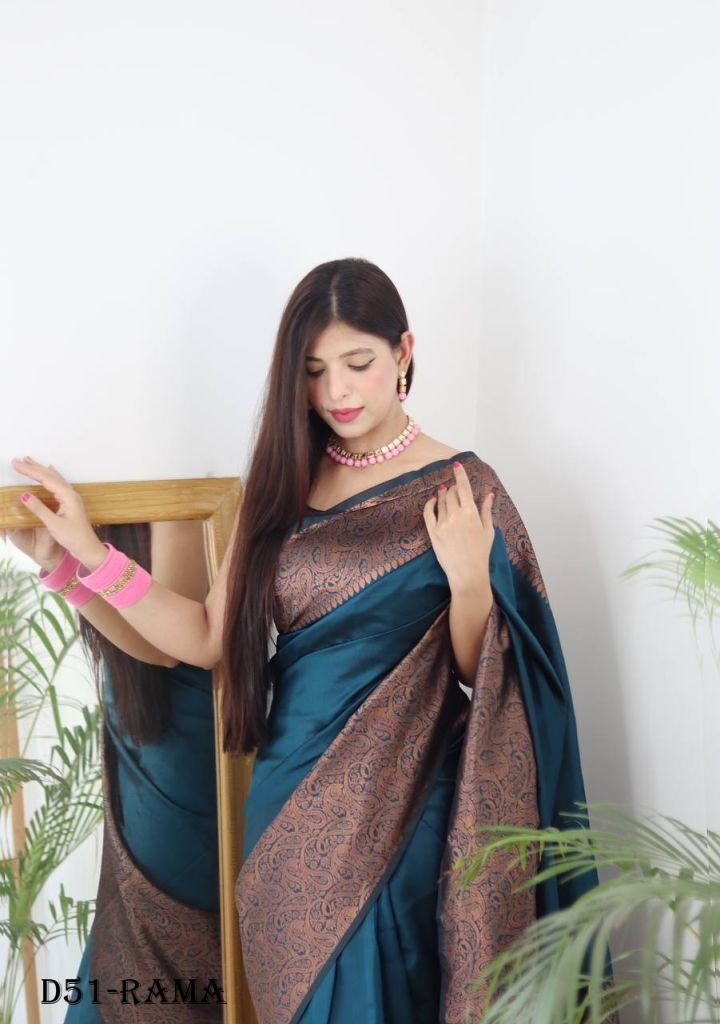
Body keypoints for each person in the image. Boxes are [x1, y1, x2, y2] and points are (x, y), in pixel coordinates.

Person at [10, 257, 600, 1024]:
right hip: (285, 810)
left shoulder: (463, 486)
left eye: (358, 363)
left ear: (404, 352)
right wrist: (82, 558)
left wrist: (469, 586)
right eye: (315, 371)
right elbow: (205, 637)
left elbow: (482, 674)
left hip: (398, 812)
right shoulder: (283, 483)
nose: (337, 391)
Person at [3, 520, 222, 1024]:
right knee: (131, 947)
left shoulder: (175, 492)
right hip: (141, 728)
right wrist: (56, 562)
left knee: (161, 948)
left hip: (185, 743)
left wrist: (69, 563)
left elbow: (169, 649)